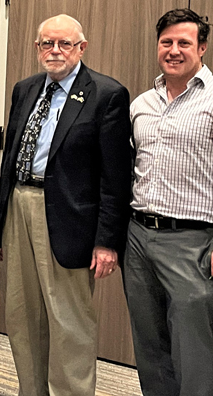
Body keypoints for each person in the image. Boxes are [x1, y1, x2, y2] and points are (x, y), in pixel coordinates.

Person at [0, 14, 132, 396]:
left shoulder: (106, 94)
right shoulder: (25, 89)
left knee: (69, 323)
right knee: (22, 315)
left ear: (81, 48)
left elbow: (115, 178)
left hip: (70, 220)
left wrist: (107, 241)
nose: (54, 51)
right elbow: (10, 159)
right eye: (46, 44)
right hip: (19, 205)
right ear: (37, 49)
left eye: (64, 44)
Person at [125, 8, 213, 396]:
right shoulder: (142, 103)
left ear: (202, 48)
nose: (174, 50)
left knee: (195, 348)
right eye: (167, 42)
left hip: (192, 241)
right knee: (149, 344)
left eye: (184, 43)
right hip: (139, 236)